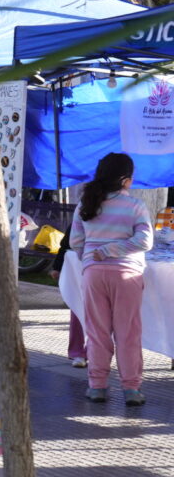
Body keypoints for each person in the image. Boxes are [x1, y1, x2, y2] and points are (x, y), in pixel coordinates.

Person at [70, 152, 153, 406]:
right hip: (127, 275)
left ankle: (97, 386)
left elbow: (76, 242)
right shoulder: (136, 206)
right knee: (128, 333)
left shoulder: (86, 203)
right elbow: (145, 241)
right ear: (126, 180)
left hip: (93, 274)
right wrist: (111, 250)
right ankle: (131, 389)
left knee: (97, 332)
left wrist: (92, 257)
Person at [51, 225, 87, 368]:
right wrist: (57, 266)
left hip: (107, 271)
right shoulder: (81, 216)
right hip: (80, 270)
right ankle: (79, 352)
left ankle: (94, 353)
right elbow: (66, 244)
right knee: (78, 309)